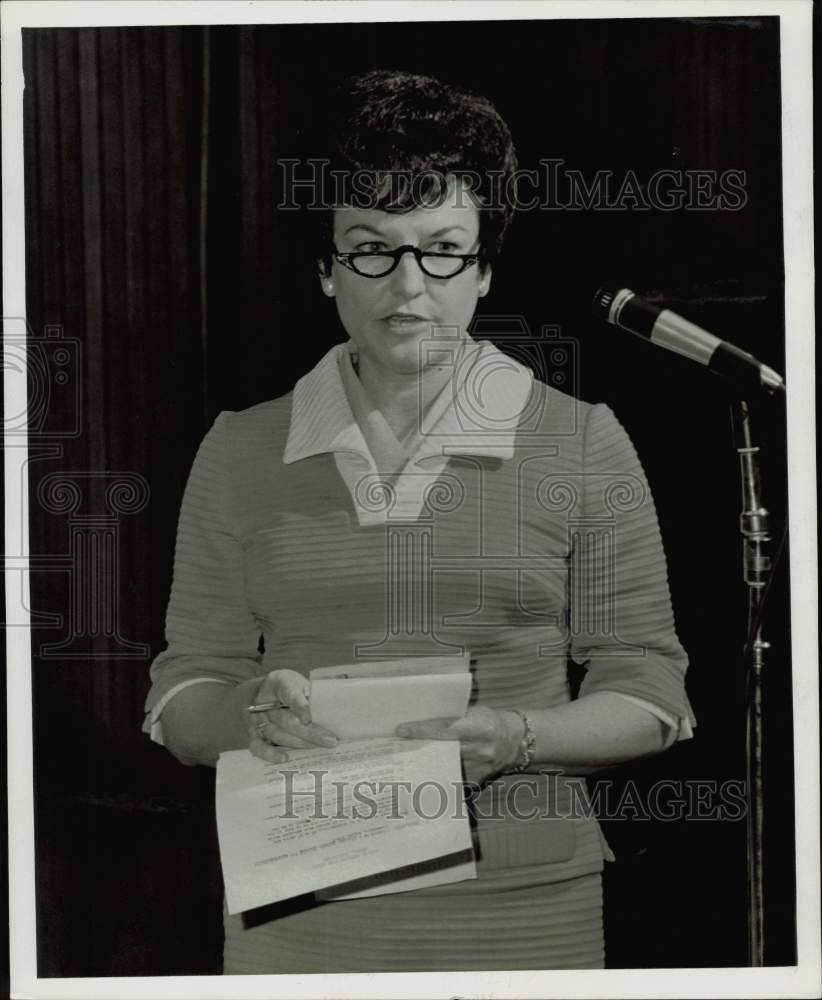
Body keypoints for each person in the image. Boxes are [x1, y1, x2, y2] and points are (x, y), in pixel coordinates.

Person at [143, 69, 694, 973]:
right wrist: (252, 716)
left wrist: (516, 737)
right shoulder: (239, 449)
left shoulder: (583, 440)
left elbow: (650, 694)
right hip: (300, 904)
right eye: (370, 249)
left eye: (441, 249)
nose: (408, 286)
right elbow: (182, 695)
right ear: (326, 268)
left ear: (483, 267)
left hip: (526, 911)